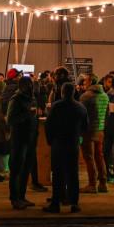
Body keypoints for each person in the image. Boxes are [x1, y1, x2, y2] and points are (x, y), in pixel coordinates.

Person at [44, 82, 88, 213]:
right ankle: (74, 203)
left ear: (62, 92)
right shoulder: (81, 107)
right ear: (74, 92)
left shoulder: (57, 106)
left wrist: (50, 140)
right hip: (73, 143)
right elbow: (85, 127)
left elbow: (48, 125)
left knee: (57, 174)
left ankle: (56, 203)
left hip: (58, 143)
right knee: (73, 173)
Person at [6, 75, 38, 209]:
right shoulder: (16, 99)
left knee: (26, 169)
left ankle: (22, 196)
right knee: (16, 169)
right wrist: (27, 115)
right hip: (19, 139)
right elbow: (10, 119)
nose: (31, 87)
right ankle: (15, 198)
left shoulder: (30, 98)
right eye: (28, 84)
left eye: (32, 84)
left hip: (29, 138)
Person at [78, 74, 109, 194]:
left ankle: (92, 184)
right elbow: (108, 115)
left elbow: (81, 115)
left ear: (90, 81)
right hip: (100, 130)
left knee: (89, 157)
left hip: (88, 131)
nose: (83, 83)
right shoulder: (105, 96)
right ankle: (103, 183)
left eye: (85, 81)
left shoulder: (86, 96)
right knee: (99, 157)